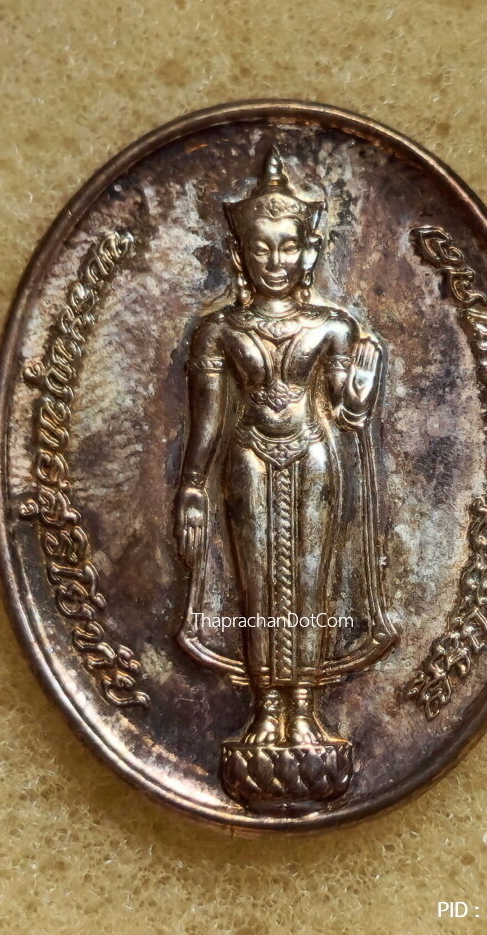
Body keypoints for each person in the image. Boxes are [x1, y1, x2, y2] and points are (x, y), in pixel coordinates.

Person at [174, 147, 397, 748]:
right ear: (240, 254)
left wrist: (360, 396)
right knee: (256, 582)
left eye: (287, 247)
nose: (275, 261)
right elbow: (206, 421)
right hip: (247, 457)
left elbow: (348, 416)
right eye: (262, 248)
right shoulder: (219, 330)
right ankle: (267, 707)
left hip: (314, 454)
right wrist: (191, 487)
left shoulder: (334, 327)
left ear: (309, 251)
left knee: (310, 578)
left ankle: (303, 707)